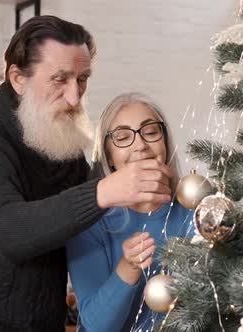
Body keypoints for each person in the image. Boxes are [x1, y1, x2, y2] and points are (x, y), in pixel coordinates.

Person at [0, 16, 172, 331]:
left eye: (82, 79)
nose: (75, 98)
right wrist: (105, 190)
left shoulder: (64, 148)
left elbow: (102, 220)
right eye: (61, 79)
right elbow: (8, 233)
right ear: (18, 78)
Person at [66, 93, 195, 332]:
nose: (140, 145)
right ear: (109, 157)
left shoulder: (196, 213)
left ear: (164, 143)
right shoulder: (89, 224)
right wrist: (128, 268)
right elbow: (96, 327)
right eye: (123, 137)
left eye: (151, 132)